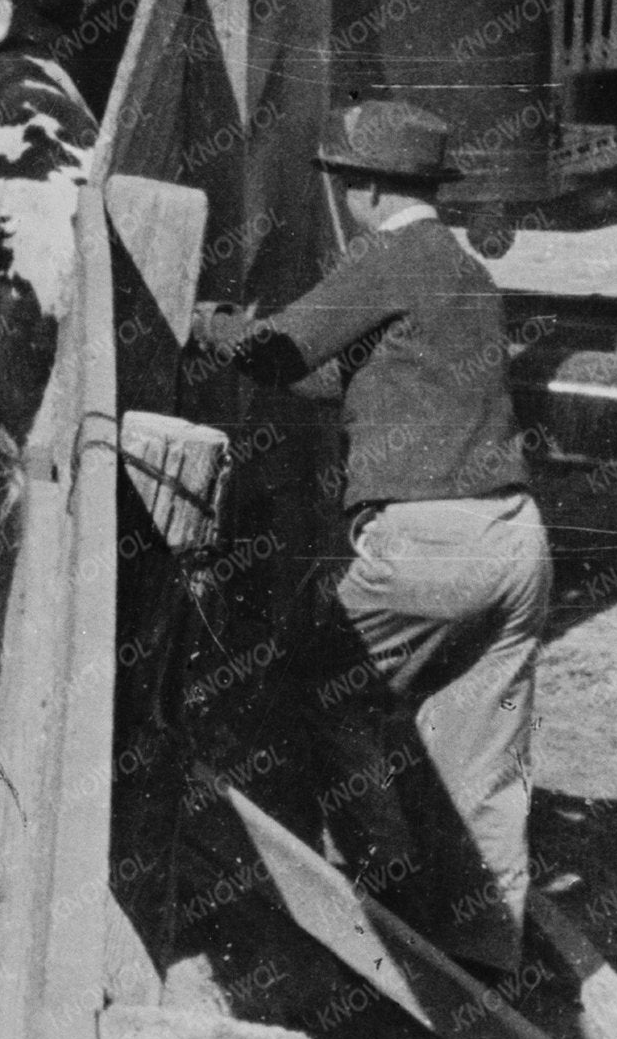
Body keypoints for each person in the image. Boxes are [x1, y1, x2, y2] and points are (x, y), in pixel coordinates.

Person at [191, 99, 557, 981]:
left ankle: (379, 908)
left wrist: (202, 320)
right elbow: (375, 384)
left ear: (361, 191)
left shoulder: (386, 256)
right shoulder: (466, 273)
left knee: (319, 687)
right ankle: (484, 956)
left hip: (427, 547)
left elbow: (277, 355)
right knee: (483, 760)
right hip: (514, 541)